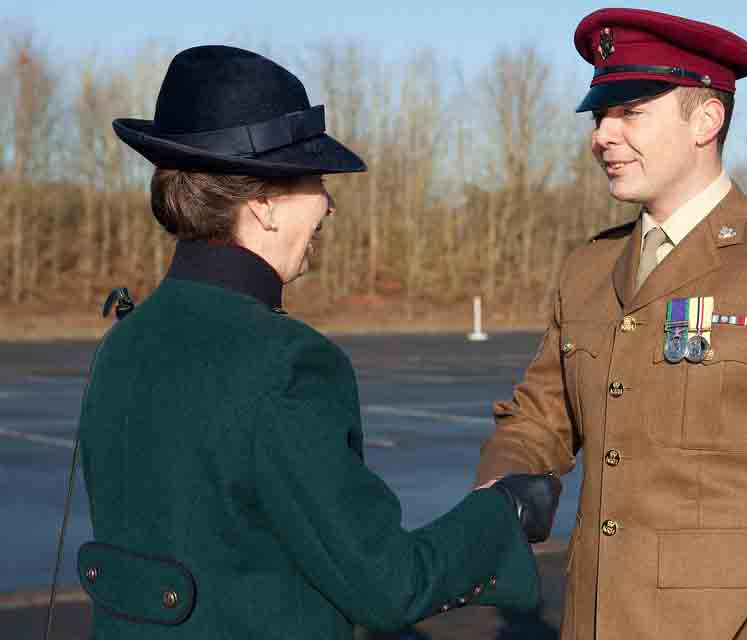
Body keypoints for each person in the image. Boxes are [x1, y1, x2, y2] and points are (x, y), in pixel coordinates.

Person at [75, 45, 561, 640]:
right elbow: (387, 584)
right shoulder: (285, 364)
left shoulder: (123, 343)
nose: (329, 205)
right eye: (316, 181)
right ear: (263, 204)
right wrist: (504, 514)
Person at [474, 8, 747, 640]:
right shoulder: (589, 269)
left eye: (630, 112)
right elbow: (540, 420)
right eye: (599, 115)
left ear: (707, 119)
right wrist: (501, 484)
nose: (602, 136)